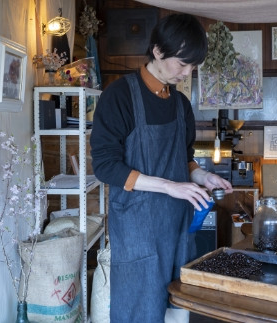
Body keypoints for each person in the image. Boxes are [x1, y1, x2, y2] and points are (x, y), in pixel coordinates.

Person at [90, 13, 233, 323]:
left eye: (193, 67)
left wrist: (202, 175)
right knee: (140, 312)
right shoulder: (120, 96)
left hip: (179, 229)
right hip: (138, 232)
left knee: (178, 311)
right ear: (157, 51)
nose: (187, 73)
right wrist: (169, 186)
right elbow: (105, 166)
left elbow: (184, 159)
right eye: (182, 64)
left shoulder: (181, 104)